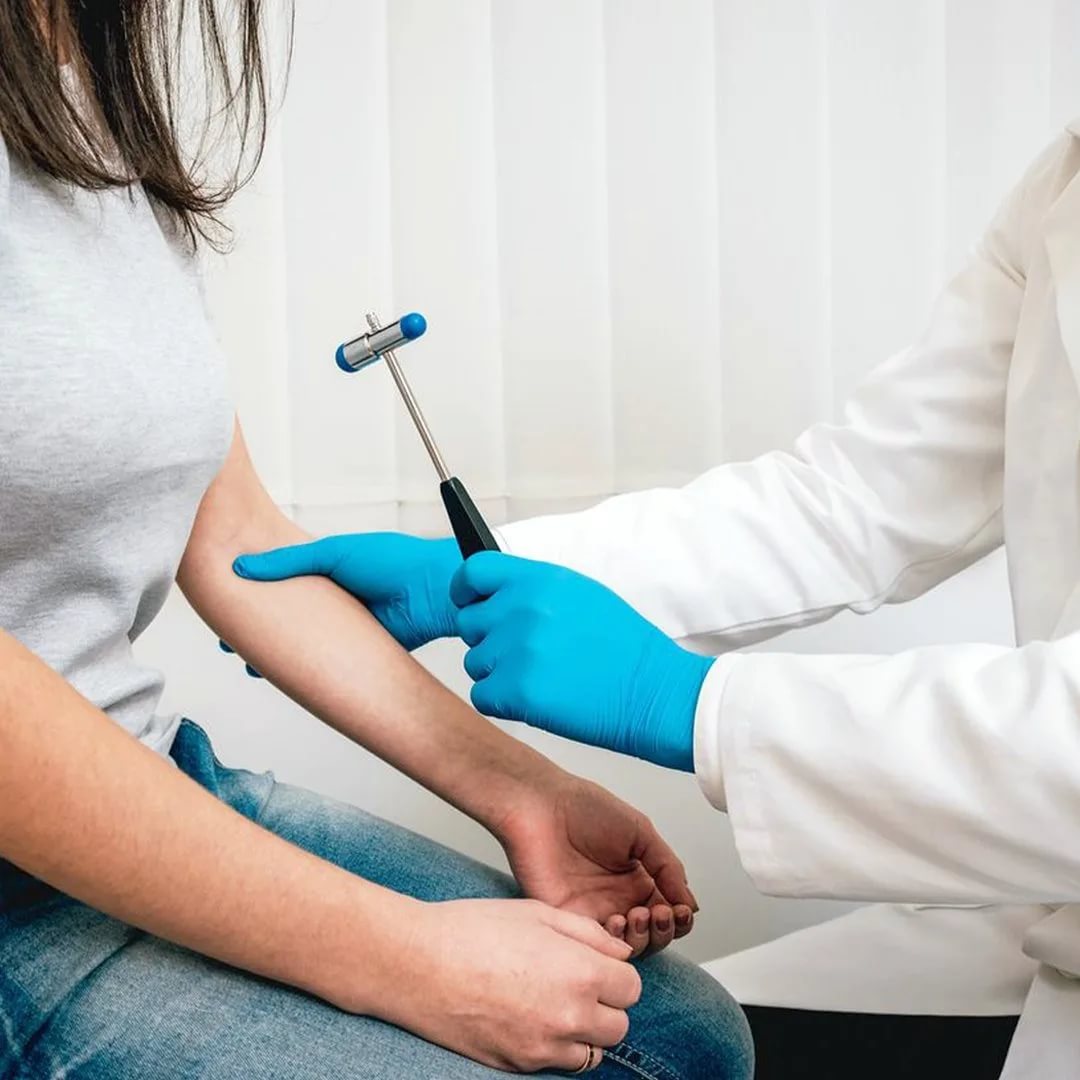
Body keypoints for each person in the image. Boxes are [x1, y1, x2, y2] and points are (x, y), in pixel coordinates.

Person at [236, 111, 1080, 1078]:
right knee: (680, 1041)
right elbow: (854, 501)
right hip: (1044, 907)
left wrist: (686, 702)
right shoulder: (1067, 176)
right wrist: (470, 568)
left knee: (672, 1045)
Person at [0, 3, 756, 1077]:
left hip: (145, 780)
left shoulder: (90, 125)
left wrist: (522, 792)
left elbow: (236, 540)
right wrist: (409, 960)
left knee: (682, 1041)